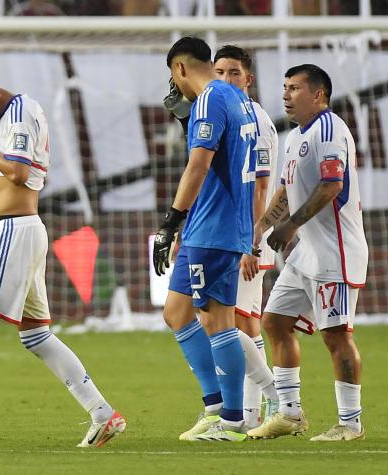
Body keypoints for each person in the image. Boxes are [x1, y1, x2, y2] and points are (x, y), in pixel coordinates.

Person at [0, 62, 125, 448]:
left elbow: (16, 172)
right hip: (22, 228)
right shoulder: (14, 114)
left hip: (13, 230)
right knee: (36, 335)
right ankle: (102, 413)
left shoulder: (17, 113)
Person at [247, 64, 368, 442]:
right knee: (275, 322)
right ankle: (289, 414)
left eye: (294, 87)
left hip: (336, 253)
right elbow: (284, 189)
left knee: (336, 335)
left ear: (318, 95)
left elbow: (332, 186)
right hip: (306, 254)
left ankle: (350, 423)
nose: (285, 94)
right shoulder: (294, 136)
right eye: (283, 87)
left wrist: (291, 225)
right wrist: (261, 226)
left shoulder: (330, 129)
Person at [154, 36, 258, 442]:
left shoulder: (211, 99)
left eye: (172, 77)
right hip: (210, 225)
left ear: (180, 69)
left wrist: (170, 222)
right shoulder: (234, 97)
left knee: (217, 320)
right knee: (176, 313)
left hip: (214, 227)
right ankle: (215, 408)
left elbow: (198, 166)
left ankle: (233, 421)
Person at [212, 45, 279, 430]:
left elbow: (261, 187)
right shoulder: (225, 114)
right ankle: (252, 412)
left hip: (246, 237)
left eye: (233, 73)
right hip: (227, 234)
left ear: (248, 79)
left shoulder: (256, 119)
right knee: (240, 321)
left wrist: (251, 243)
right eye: (219, 72)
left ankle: (268, 403)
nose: (225, 80)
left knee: (238, 321)